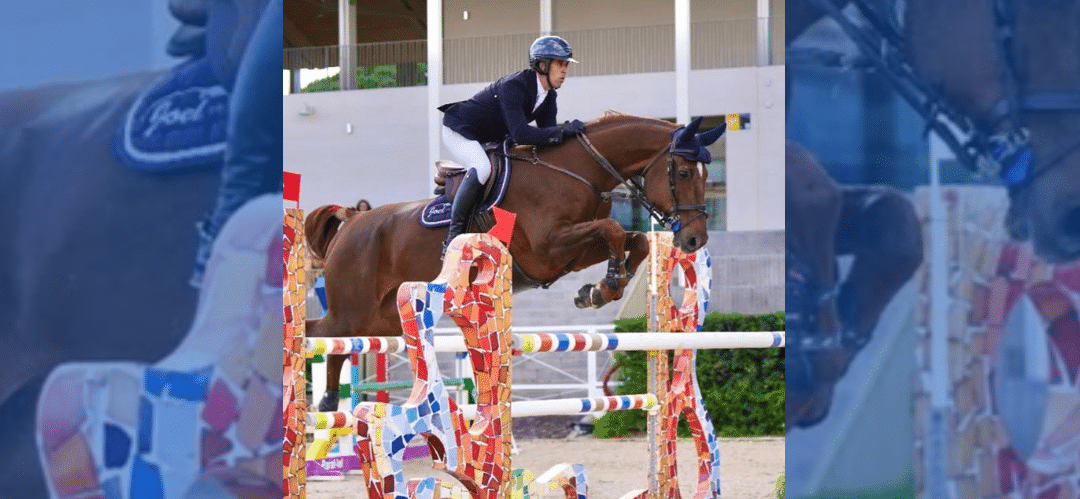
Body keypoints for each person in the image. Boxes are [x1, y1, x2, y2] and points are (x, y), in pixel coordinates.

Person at [437, 35, 585, 257]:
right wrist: (562, 131)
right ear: (542, 65)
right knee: (482, 167)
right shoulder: (514, 86)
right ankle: (452, 239)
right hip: (460, 130)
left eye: (566, 65)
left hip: (491, 138)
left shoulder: (549, 97)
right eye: (560, 64)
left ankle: (501, 237)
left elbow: (546, 140)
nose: (564, 71)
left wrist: (569, 139)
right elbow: (521, 134)